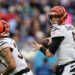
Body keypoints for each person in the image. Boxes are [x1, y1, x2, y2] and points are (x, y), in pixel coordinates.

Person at [31, 6, 75, 75]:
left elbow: (50, 54)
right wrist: (52, 39)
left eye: (56, 17)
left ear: (63, 17)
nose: (54, 19)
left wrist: (40, 48)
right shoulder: (71, 27)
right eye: (52, 17)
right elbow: (67, 39)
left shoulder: (57, 30)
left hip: (69, 67)